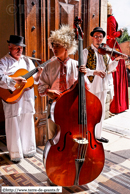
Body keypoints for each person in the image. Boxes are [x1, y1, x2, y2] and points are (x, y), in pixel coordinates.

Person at [38, 25, 87, 140]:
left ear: (66, 47)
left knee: (71, 136)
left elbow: (86, 89)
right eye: (53, 45)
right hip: (54, 106)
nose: (54, 48)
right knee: (52, 137)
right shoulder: (49, 66)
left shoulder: (77, 65)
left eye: (57, 46)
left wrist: (83, 77)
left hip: (72, 107)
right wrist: (48, 91)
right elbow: (41, 86)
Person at [0, 35, 42, 162]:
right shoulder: (4, 61)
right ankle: (15, 153)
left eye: (21, 48)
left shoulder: (27, 61)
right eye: (16, 48)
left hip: (26, 96)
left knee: (27, 120)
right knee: (13, 123)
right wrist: (13, 80)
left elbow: (33, 81)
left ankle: (28, 150)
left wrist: (39, 74)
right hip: (12, 96)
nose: (19, 51)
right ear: (10, 47)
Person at [83, 27, 124, 143]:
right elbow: (81, 69)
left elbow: (110, 67)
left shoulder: (106, 53)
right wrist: (94, 72)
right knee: (91, 112)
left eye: (100, 37)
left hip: (103, 85)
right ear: (92, 37)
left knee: (100, 112)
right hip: (91, 85)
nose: (98, 39)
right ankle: (88, 135)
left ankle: (98, 135)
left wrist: (117, 60)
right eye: (96, 36)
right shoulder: (86, 51)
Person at [107, 1, 129, 113]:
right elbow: (112, 35)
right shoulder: (111, 18)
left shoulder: (106, 19)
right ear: (109, 9)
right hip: (112, 46)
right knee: (117, 70)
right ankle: (118, 105)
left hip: (109, 46)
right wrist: (120, 32)